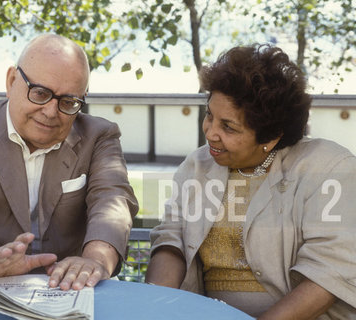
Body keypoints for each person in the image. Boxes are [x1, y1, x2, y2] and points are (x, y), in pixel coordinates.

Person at [0, 33, 138, 291]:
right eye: (40, 93)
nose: (51, 112)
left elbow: (113, 200)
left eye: (68, 102)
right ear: (11, 81)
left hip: (63, 289)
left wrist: (94, 260)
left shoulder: (99, 135)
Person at [146, 44, 356, 319]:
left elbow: (328, 273)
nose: (210, 133)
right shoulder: (197, 166)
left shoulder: (327, 167)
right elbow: (171, 239)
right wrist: (154, 307)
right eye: (209, 115)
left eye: (228, 127)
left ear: (270, 137)